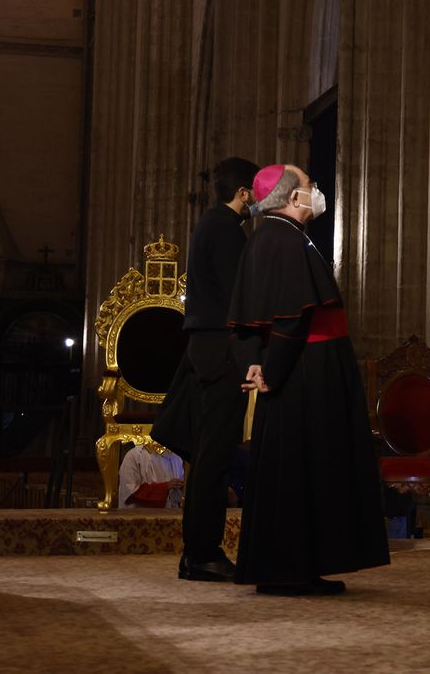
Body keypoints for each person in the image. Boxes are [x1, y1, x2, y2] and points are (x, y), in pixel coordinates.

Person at [228, 164, 390, 596]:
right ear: (288, 197)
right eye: (307, 186)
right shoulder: (281, 239)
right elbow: (291, 316)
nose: (314, 191)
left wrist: (257, 365)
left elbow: (253, 320)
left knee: (304, 469)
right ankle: (289, 570)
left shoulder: (278, 237)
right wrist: (271, 370)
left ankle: (300, 565)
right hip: (304, 370)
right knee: (303, 468)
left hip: (298, 368)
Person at [152, 156, 257, 582]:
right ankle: (203, 553)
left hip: (206, 349)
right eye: (256, 194)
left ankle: (196, 553)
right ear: (244, 193)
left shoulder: (210, 225)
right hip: (221, 354)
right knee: (215, 458)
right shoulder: (228, 231)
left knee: (210, 458)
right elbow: (240, 299)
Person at [118, 442, 185, 509]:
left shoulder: (176, 458)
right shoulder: (134, 456)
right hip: (141, 516)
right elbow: (129, 494)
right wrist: (165, 487)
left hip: (171, 515)